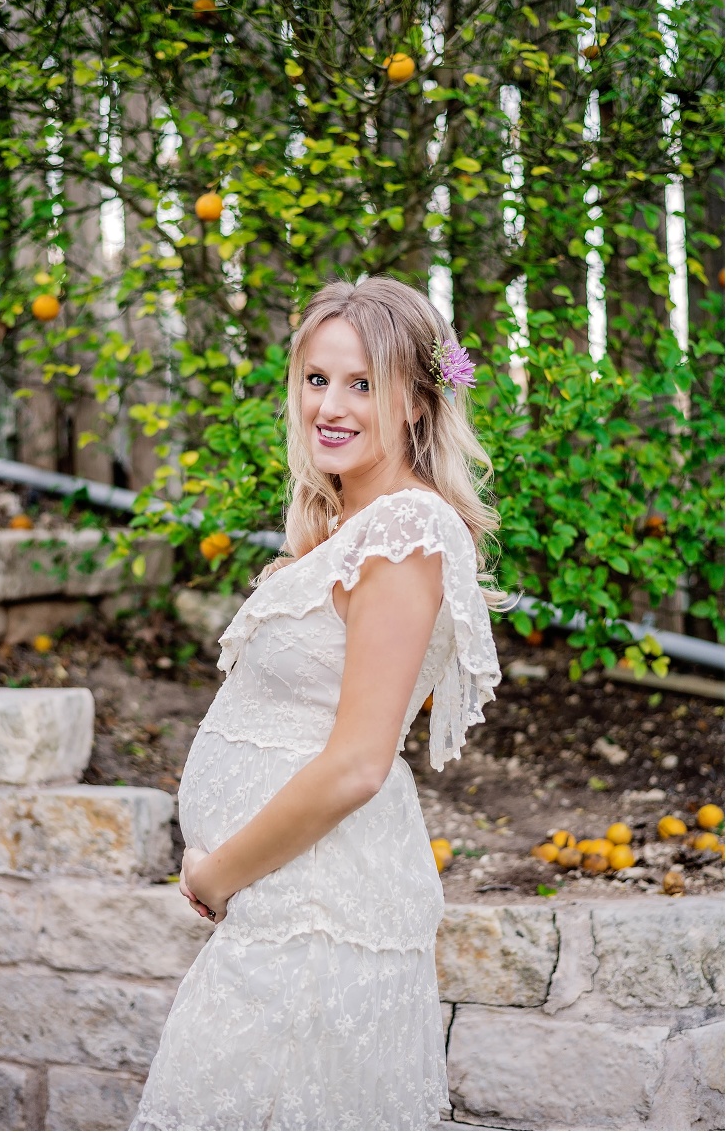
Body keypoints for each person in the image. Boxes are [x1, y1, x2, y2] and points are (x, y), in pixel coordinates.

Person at [130, 275, 503, 1132]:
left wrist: (217, 874)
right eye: (316, 379)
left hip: (319, 914)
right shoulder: (349, 525)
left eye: (362, 384)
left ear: (415, 400)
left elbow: (358, 763)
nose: (330, 406)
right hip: (287, 903)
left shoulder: (406, 535)